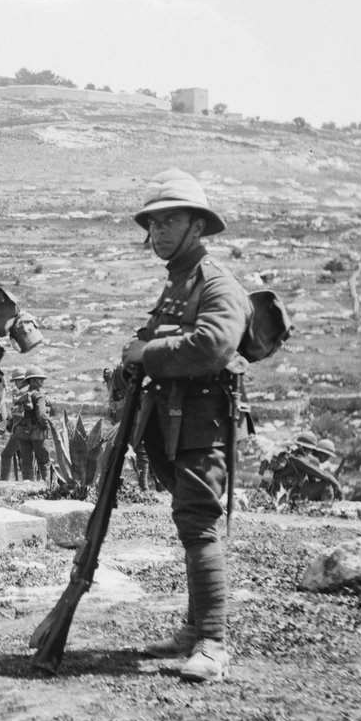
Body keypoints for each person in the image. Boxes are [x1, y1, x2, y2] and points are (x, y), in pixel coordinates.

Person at [122, 168, 249, 683]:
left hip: (204, 423)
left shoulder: (217, 284)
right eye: (153, 224)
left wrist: (147, 352)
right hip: (174, 423)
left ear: (198, 226)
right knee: (189, 522)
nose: (159, 232)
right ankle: (193, 628)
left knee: (198, 524)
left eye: (171, 221)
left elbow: (213, 345)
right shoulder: (178, 284)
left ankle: (213, 643)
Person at [9, 366, 53, 481]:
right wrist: (47, 428)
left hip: (23, 434)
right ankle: (47, 487)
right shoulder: (39, 395)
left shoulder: (22, 394)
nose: (43, 381)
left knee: (26, 463)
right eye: (40, 379)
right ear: (33, 380)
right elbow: (42, 415)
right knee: (44, 463)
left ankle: (27, 487)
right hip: (38, 434)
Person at [0, 369, 25, 480]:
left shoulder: (22, 394)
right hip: (24, 430)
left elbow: (18, 416)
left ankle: (4, 480)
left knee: (6, 455)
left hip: (20, 431)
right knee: (24, 458)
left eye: (16, 381)